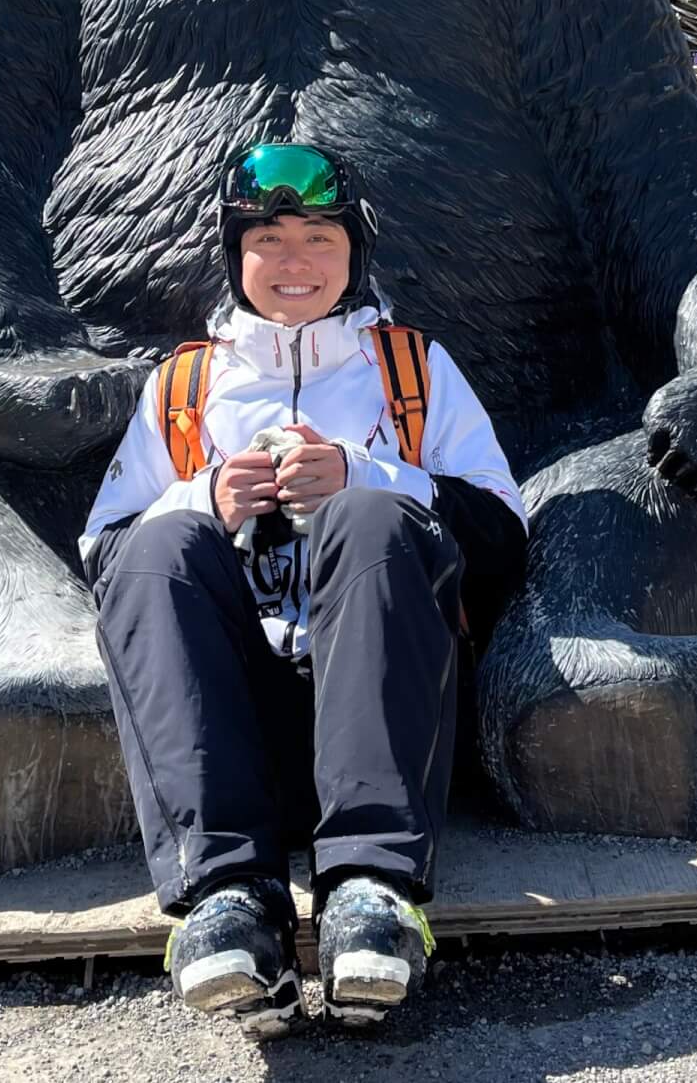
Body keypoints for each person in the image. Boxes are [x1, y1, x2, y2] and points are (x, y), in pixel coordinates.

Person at [83, 141, 527, 1038]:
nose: (295, 263)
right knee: (159, 540)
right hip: (226, 732)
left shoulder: (411, 372)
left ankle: (372, 888)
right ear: (234, 254)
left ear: (354, 253)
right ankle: (228, 896)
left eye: (320, 238)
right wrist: (200, 497)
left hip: (382, 722)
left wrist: (371, 475)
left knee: (371, 519)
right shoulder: (184, 385)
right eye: (269, 238)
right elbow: (110, 561)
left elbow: (505, 538)